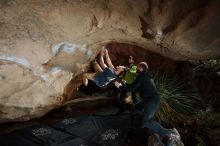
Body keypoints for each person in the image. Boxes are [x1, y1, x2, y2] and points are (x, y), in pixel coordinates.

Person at [114, 62, 183, 146]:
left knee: (146, 121)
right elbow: (133, 85)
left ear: (141, 68)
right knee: (135, 108)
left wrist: (120, 87)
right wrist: (123, 83)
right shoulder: (145, 76)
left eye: (137, 68)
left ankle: (169, 134)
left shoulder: (142, 75)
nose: (136, 69)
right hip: (147, 100)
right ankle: (141, 122)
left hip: (152, 101)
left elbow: (132, 88)